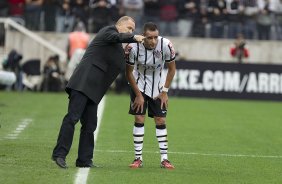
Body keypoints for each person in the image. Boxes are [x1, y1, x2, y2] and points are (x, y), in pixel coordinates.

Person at [51, 16, 145, 169]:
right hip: (83, 83)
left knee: (90, 125)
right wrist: (134, 37)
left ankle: (84, 160)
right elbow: (117, 36)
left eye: (133, 30)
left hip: (94, 90)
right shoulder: (108, 31)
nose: (131, 31)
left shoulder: (119, 48)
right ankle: (59, 155)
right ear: (119, 25)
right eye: (129, 28)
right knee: (72, 118)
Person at [125, 22, 176, 169]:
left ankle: (165, 159)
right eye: (149, 38)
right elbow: (128, 72)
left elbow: (172, 69)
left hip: (158, 87)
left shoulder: (166, 45)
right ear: (143, 36)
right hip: (138, 85)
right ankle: (138, 158)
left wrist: (165, 91)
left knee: (160, 119)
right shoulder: (132, 47)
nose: (153, 41)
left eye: (155, 37)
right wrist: (138, 95)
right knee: (139, 117)